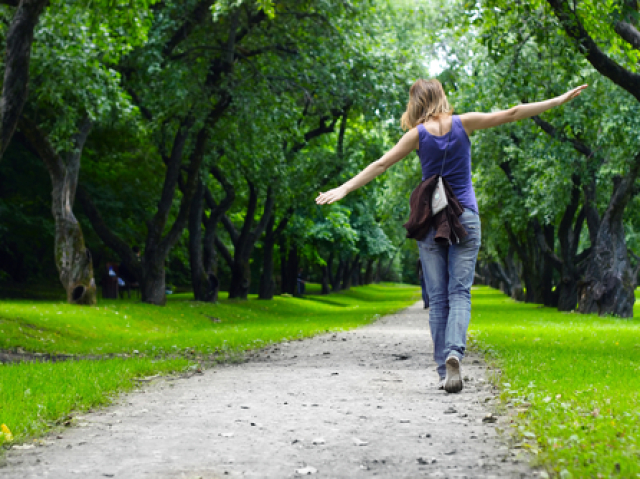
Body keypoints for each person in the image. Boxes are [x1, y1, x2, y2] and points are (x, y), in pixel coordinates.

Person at [316, 79, 587, 393]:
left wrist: (344, 188)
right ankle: (454, 354)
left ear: (415, 103)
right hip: (466, 218)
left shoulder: (416, 136)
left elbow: (381, 164)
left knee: (438, 298)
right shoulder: (464, 123)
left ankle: (443, 370)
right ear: (441, 96)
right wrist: (557, 99)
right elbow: (512, 113)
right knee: (460, 293)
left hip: (431, 222)